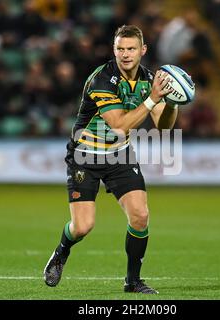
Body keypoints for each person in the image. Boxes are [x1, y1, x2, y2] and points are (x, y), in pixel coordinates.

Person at [43, 25, 179, 294]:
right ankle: (62, 250)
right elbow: (119, 126)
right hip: (85, 154)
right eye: (120, 48)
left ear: (143, 50)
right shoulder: (102, 80)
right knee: (83, 227)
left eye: (131, 48)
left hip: (120, 154)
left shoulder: (148, 79)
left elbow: (164, 127)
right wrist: (152, 99)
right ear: (113, 50)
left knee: (140, 215)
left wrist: (172, 103)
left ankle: (132, 281)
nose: (125, 54)